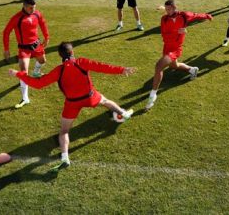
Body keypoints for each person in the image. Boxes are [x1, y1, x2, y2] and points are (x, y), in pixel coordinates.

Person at [8, 42, 136, 171]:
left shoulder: (59, 70)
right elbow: (102, 67)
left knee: (64, 131)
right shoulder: (82, 62)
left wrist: (18, 74)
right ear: (72, 52)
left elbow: (39, 84)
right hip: (90, 97)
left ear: (60, 55)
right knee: (105, 101)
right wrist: (122, 70)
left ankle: (65, 157)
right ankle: (123, 113)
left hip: (72, 103)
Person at [145, 0, 213, 110]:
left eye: (169, 9)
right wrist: (178, 32)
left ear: (174, 7)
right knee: (174, 66)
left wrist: (207, 15)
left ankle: (153, 95)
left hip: (176, 49)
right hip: (167, 47)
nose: (167, 11)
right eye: (166, 9)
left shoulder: (184, 16)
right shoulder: (164, 19)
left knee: (159, 66)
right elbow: (164, 35)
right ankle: (192, 70)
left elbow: (196, 16)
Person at [2, 0, 50, 109]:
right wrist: (6, 49)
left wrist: (47, 37)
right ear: (24, 6)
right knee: (24, 73)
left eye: (34, 7)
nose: (33, 9)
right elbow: (6, 32)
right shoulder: (16, 18)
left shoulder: (37, 14)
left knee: (42, 61)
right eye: (30, 8)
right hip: (24, 49)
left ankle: (36, 72)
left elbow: (43, 24)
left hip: (36, 45)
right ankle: (25, 98)